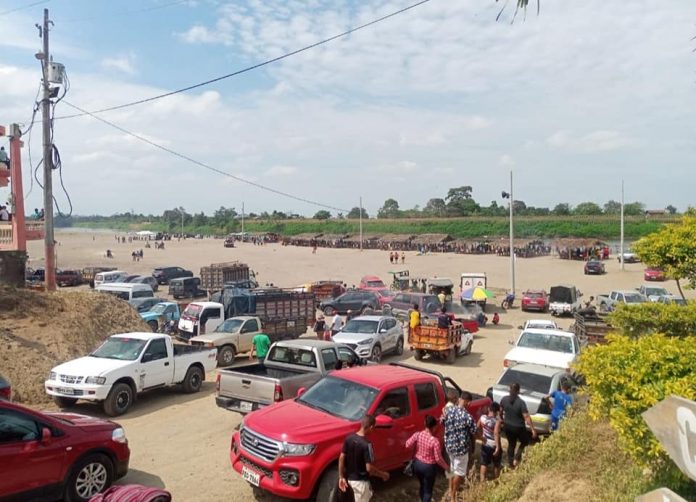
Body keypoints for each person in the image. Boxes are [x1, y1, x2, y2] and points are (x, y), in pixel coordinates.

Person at [338, 415, 389, 502]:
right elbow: (368, 468)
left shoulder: (349, 438)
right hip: (361, 484)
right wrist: (383, 474)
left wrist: (341, 476)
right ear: (371, 427)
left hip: (349, 480)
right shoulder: (367, 445)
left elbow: (341, 457)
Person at [441, 391, 477, 502]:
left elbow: (441, 421)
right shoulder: (467, 417)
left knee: (451, 468)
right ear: (468, 402)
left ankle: (449, 489)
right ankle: (453, 495)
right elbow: (474, 432)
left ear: (460, 399)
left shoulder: (448, 410)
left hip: (449, 446)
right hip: (461, 449)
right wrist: (483, 439)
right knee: (460, 473)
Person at [405, 415, 449, 502]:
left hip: (417, 464)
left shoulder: (418, 434)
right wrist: (447, 467)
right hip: (428, 468)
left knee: (422, 485)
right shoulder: (435, 441)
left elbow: (407, 444)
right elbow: (438, 459)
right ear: (434, 427)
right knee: (428, 491)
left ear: (424, 424)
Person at [500, 383, 537, 468]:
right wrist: (532, 429)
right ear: (518, 391)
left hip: (508, 426)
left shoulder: (504, 399)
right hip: (519, 427)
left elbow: (500, 411)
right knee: (525, 441)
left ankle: (510, 464)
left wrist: (502, 419)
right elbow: (526, 416)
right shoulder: (521, 402)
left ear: (509, 389)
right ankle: (517, 458)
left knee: (511, 444)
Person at [478, 402, 503, 481]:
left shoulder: (482, 417)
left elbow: (477, 427)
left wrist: (481, 437)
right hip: (493, 444)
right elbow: (496, 433)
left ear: (489, 409)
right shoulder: (497, 421)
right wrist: (498, 447)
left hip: (485, 443)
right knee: (496, 464)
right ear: (497, 411)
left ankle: (482, 481)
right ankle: (496, 480)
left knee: (484, 463)